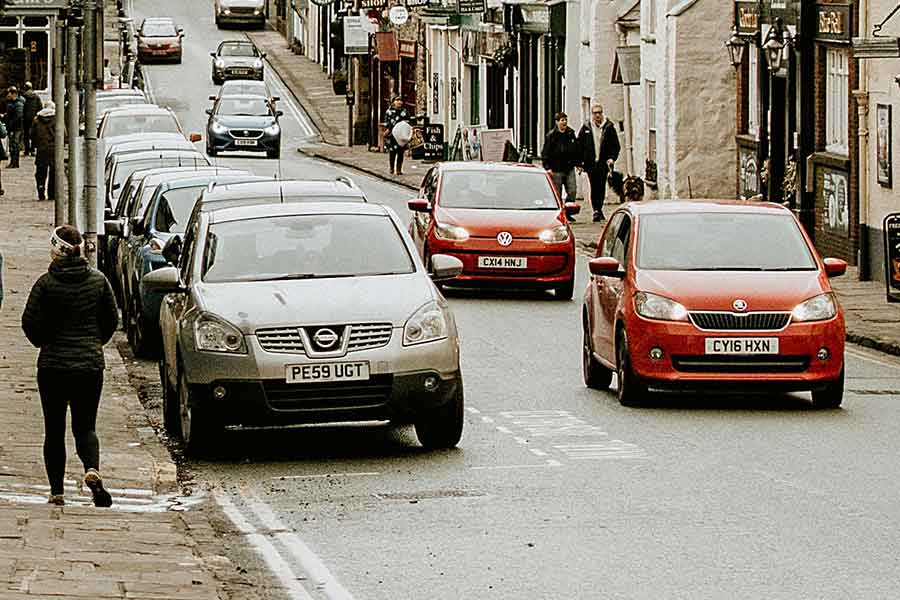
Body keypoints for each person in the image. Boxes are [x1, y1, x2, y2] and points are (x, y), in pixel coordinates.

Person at [21, 225, 119, 507]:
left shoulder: (45, 284)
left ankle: (57, 492)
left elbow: (29, 322)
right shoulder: (98, 281)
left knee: (54, 430)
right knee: (86, 426)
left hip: (52, 367)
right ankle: (91, 468)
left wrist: (43, 341)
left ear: (55, 250)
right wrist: (95, 341)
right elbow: (111, 319)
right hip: (89, 366)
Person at [577, 104, 621, 222]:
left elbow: (615, 146)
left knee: (601, 186)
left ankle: (599, 208)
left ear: (602, 113)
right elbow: (579, 146)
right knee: (594, 185)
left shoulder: (608, 127)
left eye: (599, 113)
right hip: (590, 163)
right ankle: (596, 210)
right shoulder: (586, 128)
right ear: (592, 114)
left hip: (603, 163)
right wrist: (580, 163)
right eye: (595, 113)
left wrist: (612, 158)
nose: (597, 115)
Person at [541, 112, 581, 220]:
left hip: (569, 168)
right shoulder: (551, 136)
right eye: (562, 120)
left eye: (565, 120)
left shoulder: (571, 133)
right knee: (557, 193)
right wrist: (547, 167)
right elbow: (545, 152)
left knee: (572, 190)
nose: (564, 122)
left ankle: (568, 212)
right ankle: (559, 214)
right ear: (557, 122)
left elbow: (576, 149)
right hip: (556, 169)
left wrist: (578, 163)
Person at [31, 101, 56, 202]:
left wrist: (36, 144)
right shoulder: (56, 119)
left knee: (41, 172)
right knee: (53, 171)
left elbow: (32, 134)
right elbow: (64, 134)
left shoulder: (37, 120)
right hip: (54, 149)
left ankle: (41, 190)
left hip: (41, 149)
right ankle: (52, 193)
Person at [383, 95, 410, 176]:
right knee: (392, 152)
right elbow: (387, 122)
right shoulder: (389, 111)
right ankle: (391, 168)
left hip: (401, 134)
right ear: (393, 102)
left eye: (400, 100)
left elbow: (408, 121)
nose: (399, 102)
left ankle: (399, 169)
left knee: (400, 152)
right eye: (397, 100)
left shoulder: (404, 111)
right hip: (392, 134)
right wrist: (388, 129)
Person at [3, 86, 25, 169]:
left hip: (16, 128)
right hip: (14, 127)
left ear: (13, 94)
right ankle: (13, 162)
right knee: (13, 145)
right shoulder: (13, 103)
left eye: (9, 93)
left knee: (14, 145)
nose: (8, 95)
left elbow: (18, 116)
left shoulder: (18, 104)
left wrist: (10, 123)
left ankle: (14, 162)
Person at [21, 82, 42, 156]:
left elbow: (22, 108)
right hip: (34, 118)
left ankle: (26, 150)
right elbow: (40, 107)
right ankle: (32, 150)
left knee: (26, 134)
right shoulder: (36, 97)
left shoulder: (23, 97)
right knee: (33, 134)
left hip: (25, 119)